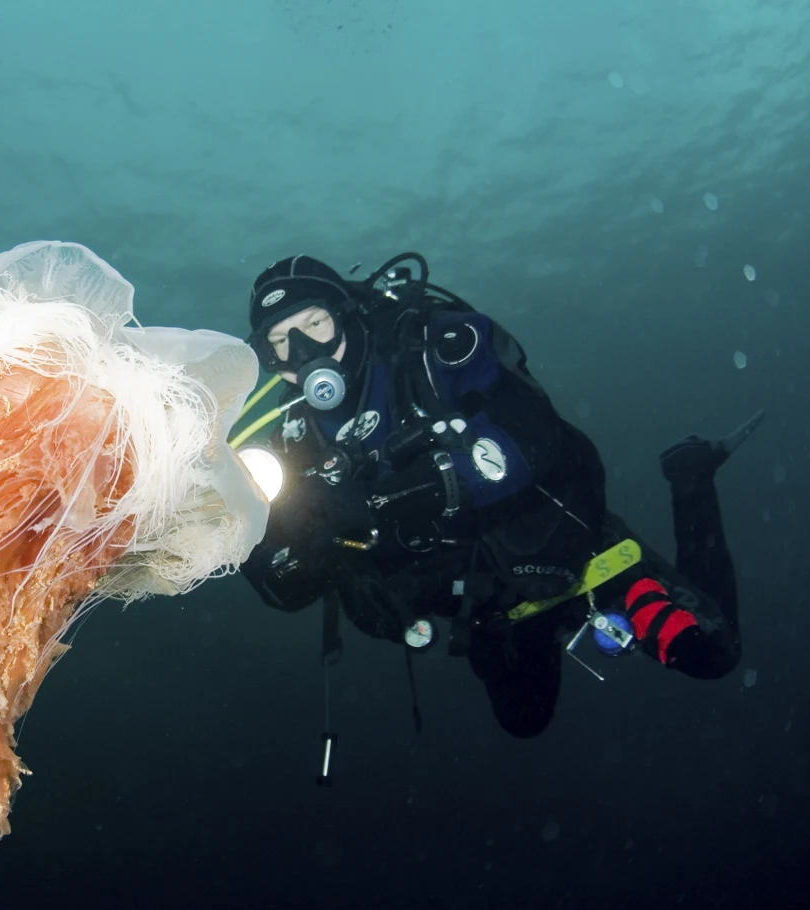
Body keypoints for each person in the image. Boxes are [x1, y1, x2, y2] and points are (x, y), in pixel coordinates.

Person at [236, 252, 756, 739]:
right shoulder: (292, 440)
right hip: (485, 607)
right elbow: (282, 586)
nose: (302, 353)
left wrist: (404, 493)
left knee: (712, 655)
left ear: (348, 315)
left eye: (314, 325)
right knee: (523, 721)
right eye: (280, 341)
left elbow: (537, 441)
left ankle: (690, 477)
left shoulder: (438, 350)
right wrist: (300, 542)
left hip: (573, 559)